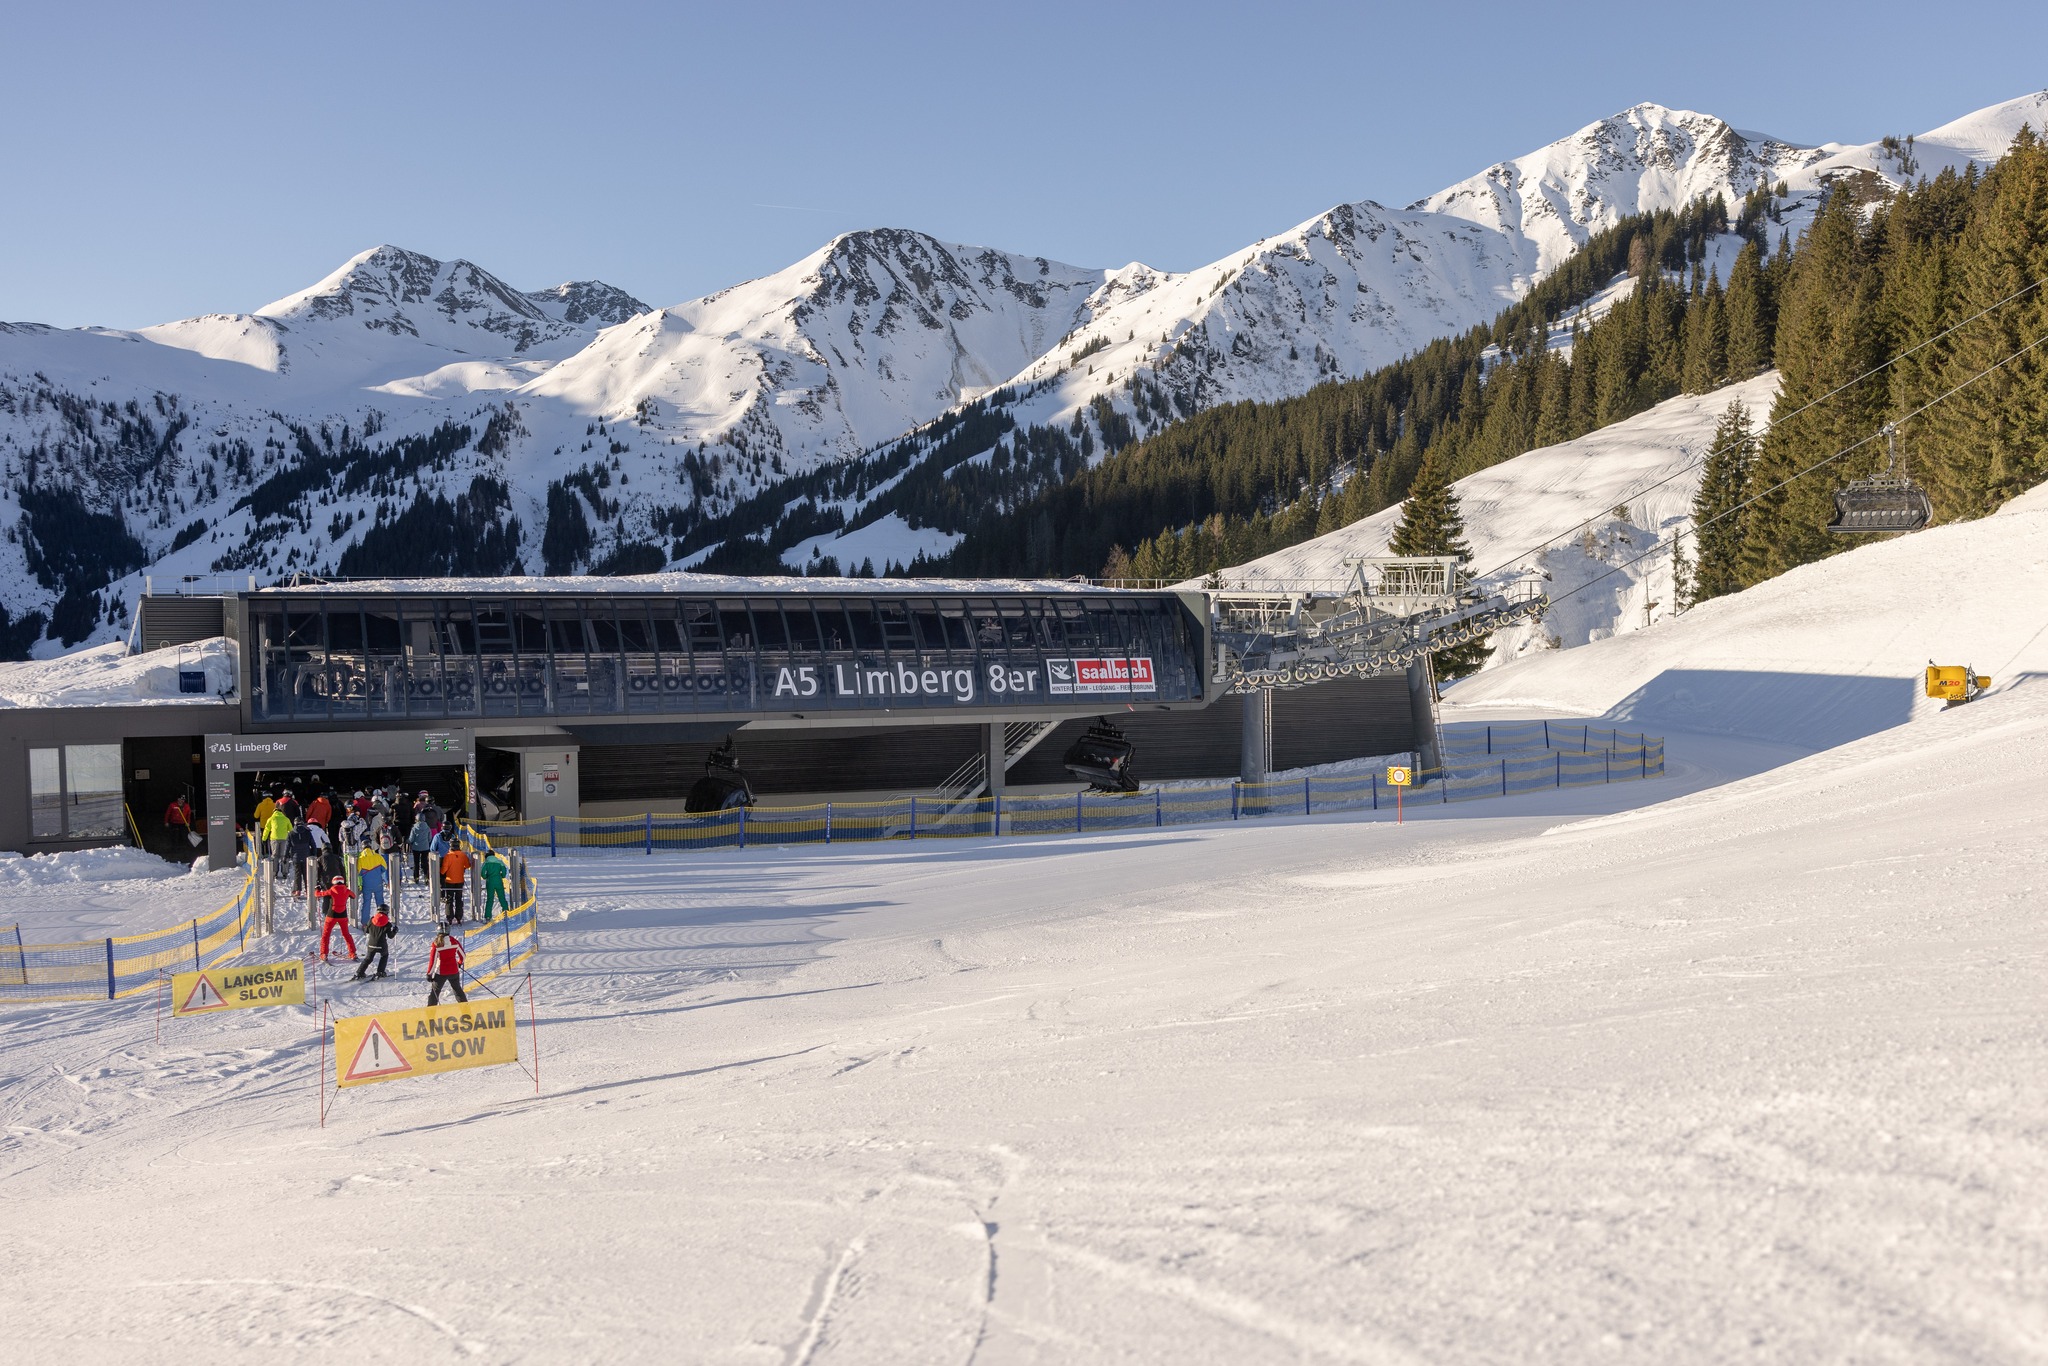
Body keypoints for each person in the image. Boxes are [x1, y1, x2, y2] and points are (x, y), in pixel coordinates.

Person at [314, 876, 357, 963]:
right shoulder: (347, 890)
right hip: (343, 916)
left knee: (326, 935)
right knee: (346, 934)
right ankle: (353, 953)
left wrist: (317, 889)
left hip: (331, 915)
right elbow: (353, 896)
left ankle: (324, 954)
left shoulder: (331, 890)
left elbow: (318, 895)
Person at [426, 929, 466, 1005]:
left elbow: (433, 961)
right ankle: (466, 1010)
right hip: (454, 971)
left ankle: (430, 1013)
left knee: (435, 993)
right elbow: (463, 956)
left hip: (441, 973)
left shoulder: (436, 944)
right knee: (458, 990)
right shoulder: (454, 941)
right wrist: (459, 963)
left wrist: (429, 973)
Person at [353, 907, 395, 980]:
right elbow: (390, 936)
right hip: (381, 944)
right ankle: (380, 972)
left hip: (371, 944)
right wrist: (395, 931)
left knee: (368, 958)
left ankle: (359, 973)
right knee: (384, 956)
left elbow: (367, 931)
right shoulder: (387, 923)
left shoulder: (371, 920)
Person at [439, 841, 473, 924]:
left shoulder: (448, 856)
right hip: (460, 880)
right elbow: (468, 865)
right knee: (458, 898)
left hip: (449, 880)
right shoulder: (463, 855)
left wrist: (441, 873)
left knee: (449, 899)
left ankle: (449, 917)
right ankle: (459, 916)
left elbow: (444, 870)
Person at [356, 844, 389, 917]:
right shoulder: (378, 856)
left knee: (366, 903)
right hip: (378, 883)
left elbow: (359, 873)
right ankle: (382, 919)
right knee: (380, 902)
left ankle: (365, 922)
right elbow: (384, 868)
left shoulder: (360, 859)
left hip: (367, 884)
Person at [479, 847, 511, 923]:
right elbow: (504, 870)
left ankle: (488, 916)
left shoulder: (486, 862)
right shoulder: (499, 862)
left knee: (490, 899)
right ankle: (506, 914)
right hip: (499, 881)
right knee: (502, 898)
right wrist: (502, 876)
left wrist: (485, 877)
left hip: (490, 881)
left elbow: (482, 872)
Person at [284, 819, 315, 895]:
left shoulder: (291, 833)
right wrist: (313, 855)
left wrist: (285, 856)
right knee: (306, 873)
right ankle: (308, 890)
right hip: (306, 856)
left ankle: (298, 890)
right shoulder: (308, 832)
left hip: (295, 856)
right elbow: (313, 845)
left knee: (297, 873)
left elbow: (287, 846)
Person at [407, 815, 435, 885]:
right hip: (425, 847)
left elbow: (411, 839)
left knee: (416, 863)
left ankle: (416, 878)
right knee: (425, 862)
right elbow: (430, 838)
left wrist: (408, 841)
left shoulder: (414, 828)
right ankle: (426, 877)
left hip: (416, 847)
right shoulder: (427, 827)